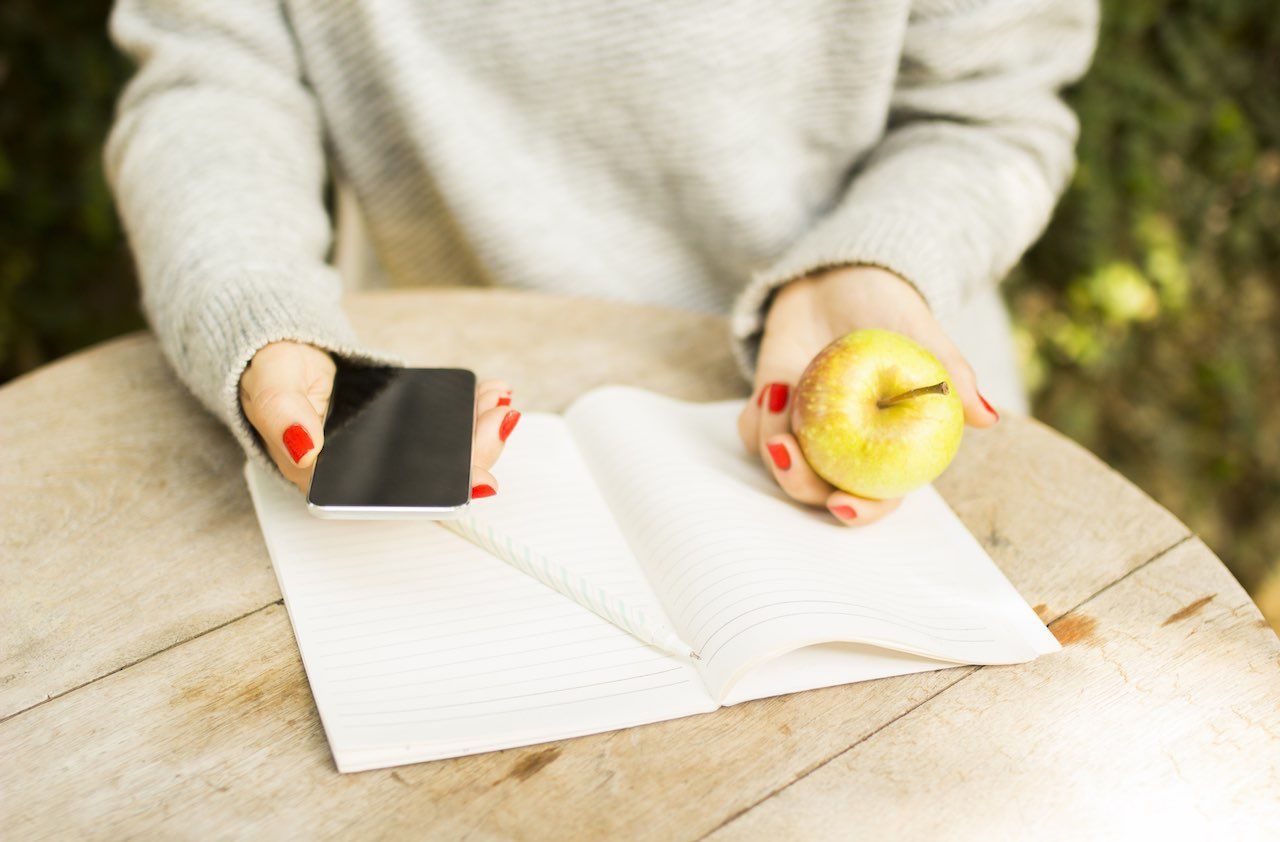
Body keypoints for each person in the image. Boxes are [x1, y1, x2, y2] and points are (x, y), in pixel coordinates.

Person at [104, 0, 1098, 525]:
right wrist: (255, 311)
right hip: (445, 394)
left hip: (851, 375)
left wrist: (880, 266)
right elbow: (213, 79)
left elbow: (986, 109)